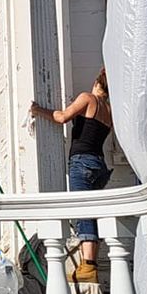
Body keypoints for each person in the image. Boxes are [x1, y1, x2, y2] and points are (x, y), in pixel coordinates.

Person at [29, 70, 112, 281]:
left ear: (97, 82)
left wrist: (38, 110)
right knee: (92, 212)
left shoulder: (87, 99)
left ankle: (88, 267)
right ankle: (89, 263)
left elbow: (62, 117)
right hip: (99, 164)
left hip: (81, 161)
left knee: (83, 212)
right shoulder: (109, 111)